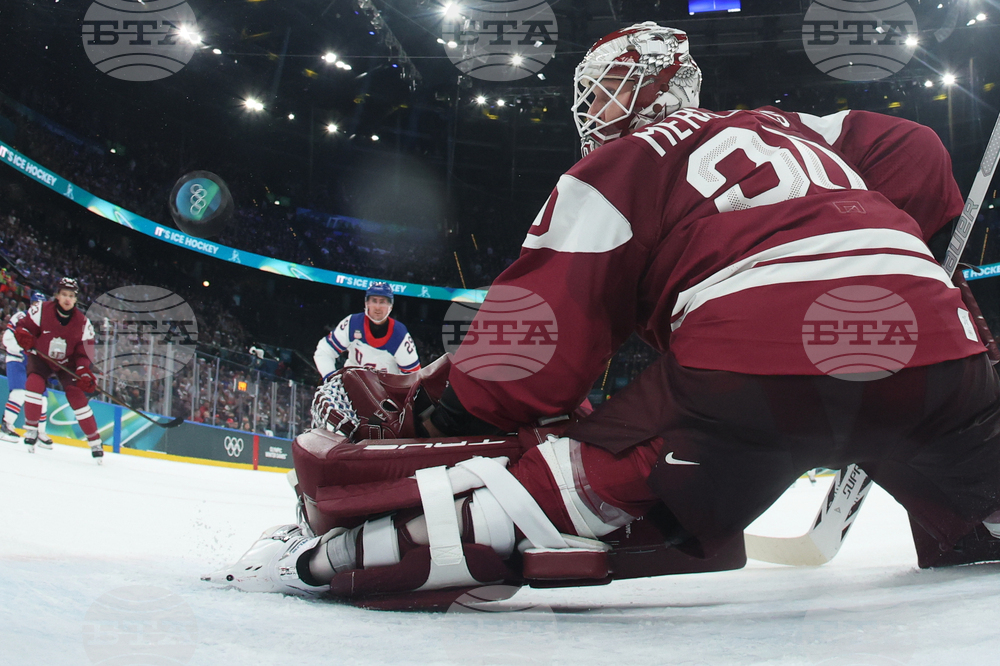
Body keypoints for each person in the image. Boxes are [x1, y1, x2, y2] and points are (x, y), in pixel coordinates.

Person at [209, 23, 1000, 603]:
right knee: (974, 487)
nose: (593, 108)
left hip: (753, 368)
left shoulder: (621, 162)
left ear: (651, 88)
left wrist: (442, 413)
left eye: (607, 88)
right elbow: (922, 155)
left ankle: (338, 560)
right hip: (944, 352)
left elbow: (533, 352)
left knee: (561, 483)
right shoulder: (793, 127)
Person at [14, 277, 105, 462]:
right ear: (57, 295)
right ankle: (31, 429)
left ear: (76, 299)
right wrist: (23, 335)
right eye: (64, 294)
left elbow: (83, 353)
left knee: (76, 396)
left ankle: (95, 441)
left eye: (71, 295)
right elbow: (24, 327)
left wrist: (83, 371)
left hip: (67, 364)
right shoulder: (41, 310)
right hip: (41, 358)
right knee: (34, 384)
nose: (67, 299)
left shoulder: (83, 323)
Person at [313, 281, 421, 379]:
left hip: (384, 392)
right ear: (366, 303)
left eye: (382, 302)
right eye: (374, 301)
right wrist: (330, 378)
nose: (377, 307)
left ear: (390, 306)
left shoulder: (399, 335)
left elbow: (413, 377)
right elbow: (324, 351)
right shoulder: (352, 323)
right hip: (351, 387)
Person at [1, 291, 54, 448]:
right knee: (19, 393)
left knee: (42, 400)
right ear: (31, 304)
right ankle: (6, 425)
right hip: (17, 360)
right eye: (36, 304)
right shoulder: (20, 317)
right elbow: (7, 339)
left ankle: (39, 433)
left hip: (34, 365)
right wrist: (24, 348)